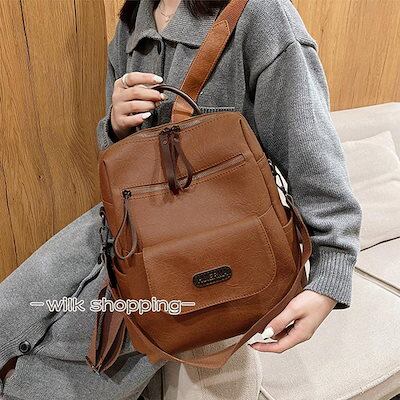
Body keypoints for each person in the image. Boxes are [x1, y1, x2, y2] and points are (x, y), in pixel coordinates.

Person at [0, 0, 362, 399]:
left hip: (204, 254)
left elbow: (310, 151)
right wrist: (116, 126)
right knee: (10, 312)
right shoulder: (133, 23)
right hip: (124, 228)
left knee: (46, 380)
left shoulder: (262, 13)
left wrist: (330, 271)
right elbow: (121, 164)